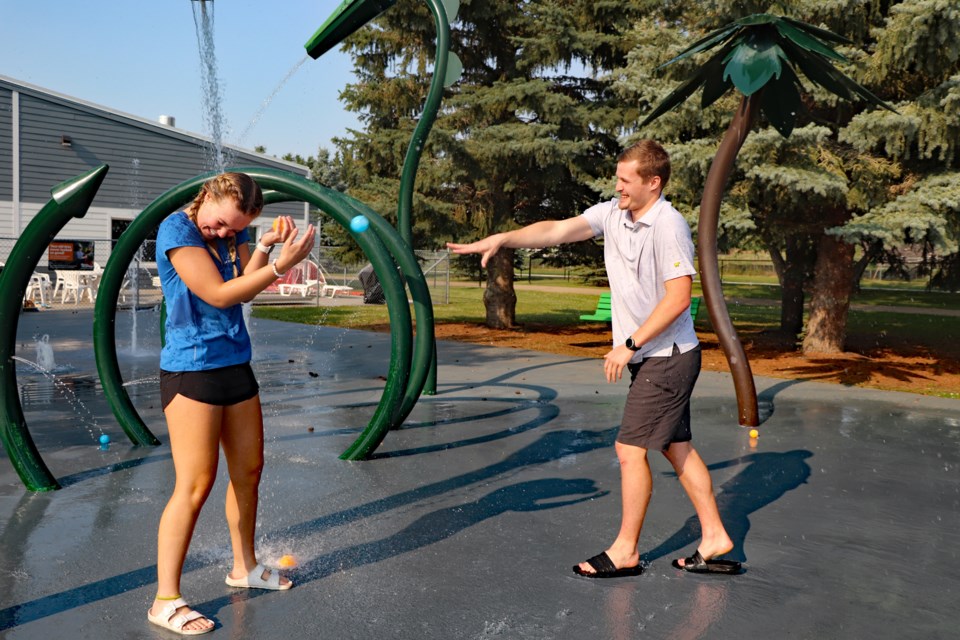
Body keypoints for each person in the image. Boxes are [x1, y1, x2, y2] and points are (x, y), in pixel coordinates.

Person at [446, 140, 740, 578]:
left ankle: (625, 551)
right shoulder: (612, 214)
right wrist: (505, 238)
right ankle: (715, 535)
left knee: (628, 449)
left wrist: (630, 344)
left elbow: (679, 297)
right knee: (676, 447)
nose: (617, 186)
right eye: (617, 178)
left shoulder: (668, 225)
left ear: (653, 183)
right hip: (656, 355)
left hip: (667, 356)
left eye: (626, 180)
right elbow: (556, 230)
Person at [147, 172, 316, 634]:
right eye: (221, 224)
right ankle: (165, 599)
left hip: (235, 363)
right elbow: (220, 295)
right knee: (195, 484)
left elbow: (245, 278)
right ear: (210, 197)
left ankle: (244, 567)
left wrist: (263, 247)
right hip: (192, 368)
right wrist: (283, 265)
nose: (224, 234)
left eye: (233, 228)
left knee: (248, 471)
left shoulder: (236, 230)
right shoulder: (176, 230)